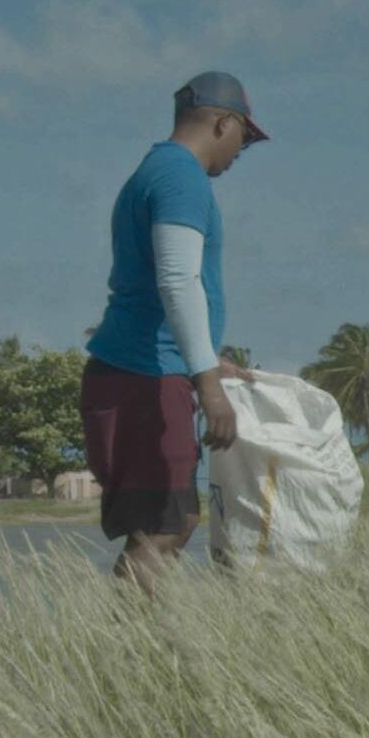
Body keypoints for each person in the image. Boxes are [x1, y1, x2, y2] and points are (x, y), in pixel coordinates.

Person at [79, 71, 264, 586]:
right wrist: (207, 383)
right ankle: (125, 652)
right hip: (144, 377)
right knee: (164, 527)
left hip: (145, 372)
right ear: (224, 123)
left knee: (171, 522)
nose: (238, 154)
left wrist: (203, 359)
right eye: (243, 141)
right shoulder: (181, 177)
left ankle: (135, 650)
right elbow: (178, 280)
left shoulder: (156, 170)